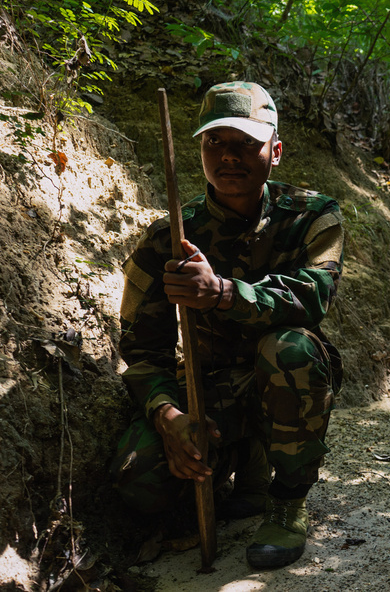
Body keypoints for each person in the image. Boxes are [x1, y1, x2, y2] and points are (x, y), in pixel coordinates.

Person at [110, 81, 344, 570]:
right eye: (215, 141)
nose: (228, 156)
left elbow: (310, 297)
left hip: (284, 382)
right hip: (207, 390)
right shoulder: (169, 236)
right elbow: (142, 349)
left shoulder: (313, 216)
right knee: (140, 482)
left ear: (274, 151)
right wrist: (168, 417)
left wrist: (220, 292)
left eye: (246, 143)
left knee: (290, 349)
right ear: (199, 150)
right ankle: (233, 463)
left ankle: (285, 500)